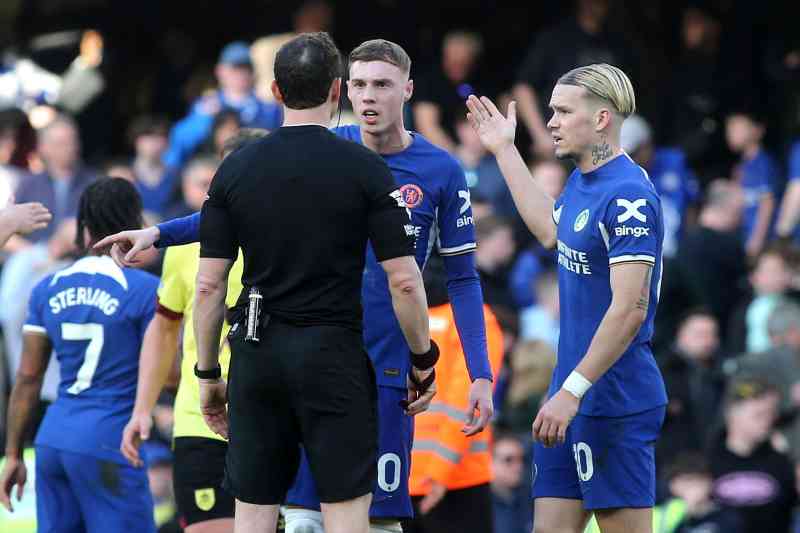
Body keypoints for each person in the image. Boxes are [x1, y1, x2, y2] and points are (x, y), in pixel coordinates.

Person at [95, 38, 495, 533]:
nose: (369, 97)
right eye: (361, 85)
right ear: (341, 90)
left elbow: (461, 277)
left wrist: (478, 372)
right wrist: (161, 233)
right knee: (304, 520)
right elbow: (233, 207)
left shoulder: (441, 171)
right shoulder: (331, 150)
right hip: (327, 357)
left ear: (408, 90)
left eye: (383, 85)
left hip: (389, 366)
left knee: (378, 522)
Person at [193, 32, 435, 533]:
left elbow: (209, 287)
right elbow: (405, 282)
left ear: (276, 92)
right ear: (336, 90)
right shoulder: (366, 169)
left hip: (257, 353)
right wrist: (422, 359)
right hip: (333, 356)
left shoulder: (234, 168)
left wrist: (208, 373)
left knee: (255, 512)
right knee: (346, 511)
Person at [466, 63, 667, 533]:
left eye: (561, 111)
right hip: (569, 396)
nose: (550, 121)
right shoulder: (583, 179)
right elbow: (550, 231)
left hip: (613, 399)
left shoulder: (629, 196)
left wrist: (572, 391)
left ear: (600, 119)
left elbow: (630, 310)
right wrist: (503, 150)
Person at [119, 129, 266, 533]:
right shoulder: (186, 246)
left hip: (274, 416)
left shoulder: (293, 238)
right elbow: (163, 329)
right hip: (201, 419)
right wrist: (142, 409)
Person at [0, 178, 160, 532]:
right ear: (136, 224)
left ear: (85, 229)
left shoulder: (47, 288)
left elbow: (27, 378)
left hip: (53, 438)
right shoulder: (146, 290)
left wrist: (13, 453)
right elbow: (168, 370)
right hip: (112, 439)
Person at [404, 262, 504, 533]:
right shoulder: (477, 322)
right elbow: (466, 404)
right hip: (458, 480)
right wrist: (440, 473)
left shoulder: (402, 318)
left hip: (398, 477)